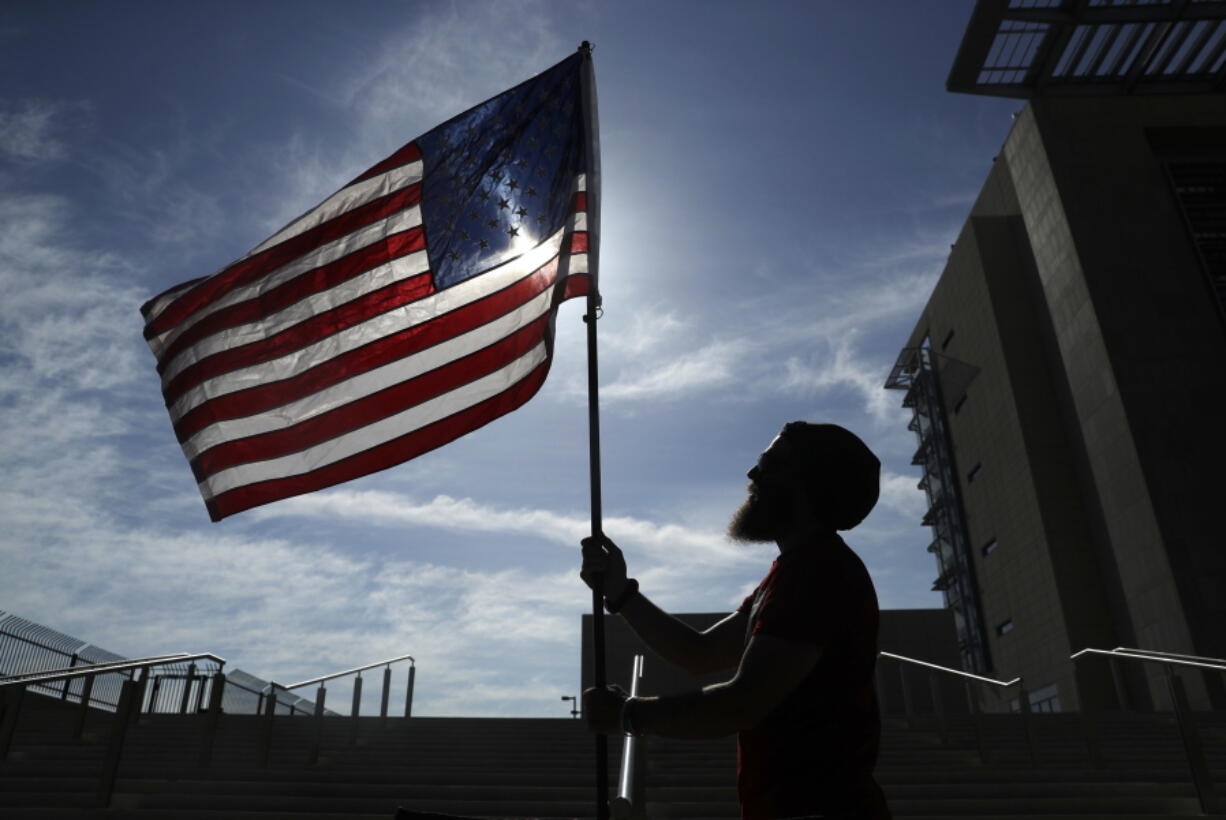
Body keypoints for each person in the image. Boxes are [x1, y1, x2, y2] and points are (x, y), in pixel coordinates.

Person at [580, 421, 891, 820]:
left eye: (771, 465)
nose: (752, 474)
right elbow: (701, 653)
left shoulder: (818, 571)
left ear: (810, 483)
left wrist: (629, 715)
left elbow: (742, 703)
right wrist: (620, 593)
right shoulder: (792, 573)